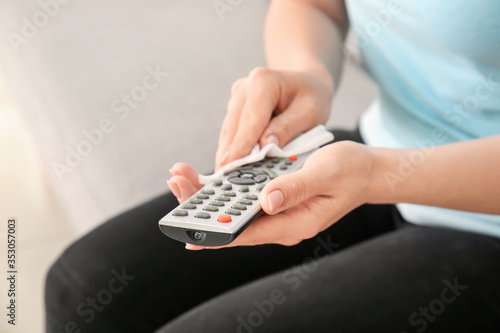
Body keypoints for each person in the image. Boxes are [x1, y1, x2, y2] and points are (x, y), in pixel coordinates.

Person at [45, 0, 500, 332]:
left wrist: (377, 176)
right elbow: (314, 4)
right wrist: (308, 75)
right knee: (80, 287)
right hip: (380, 150)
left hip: (482, 219)